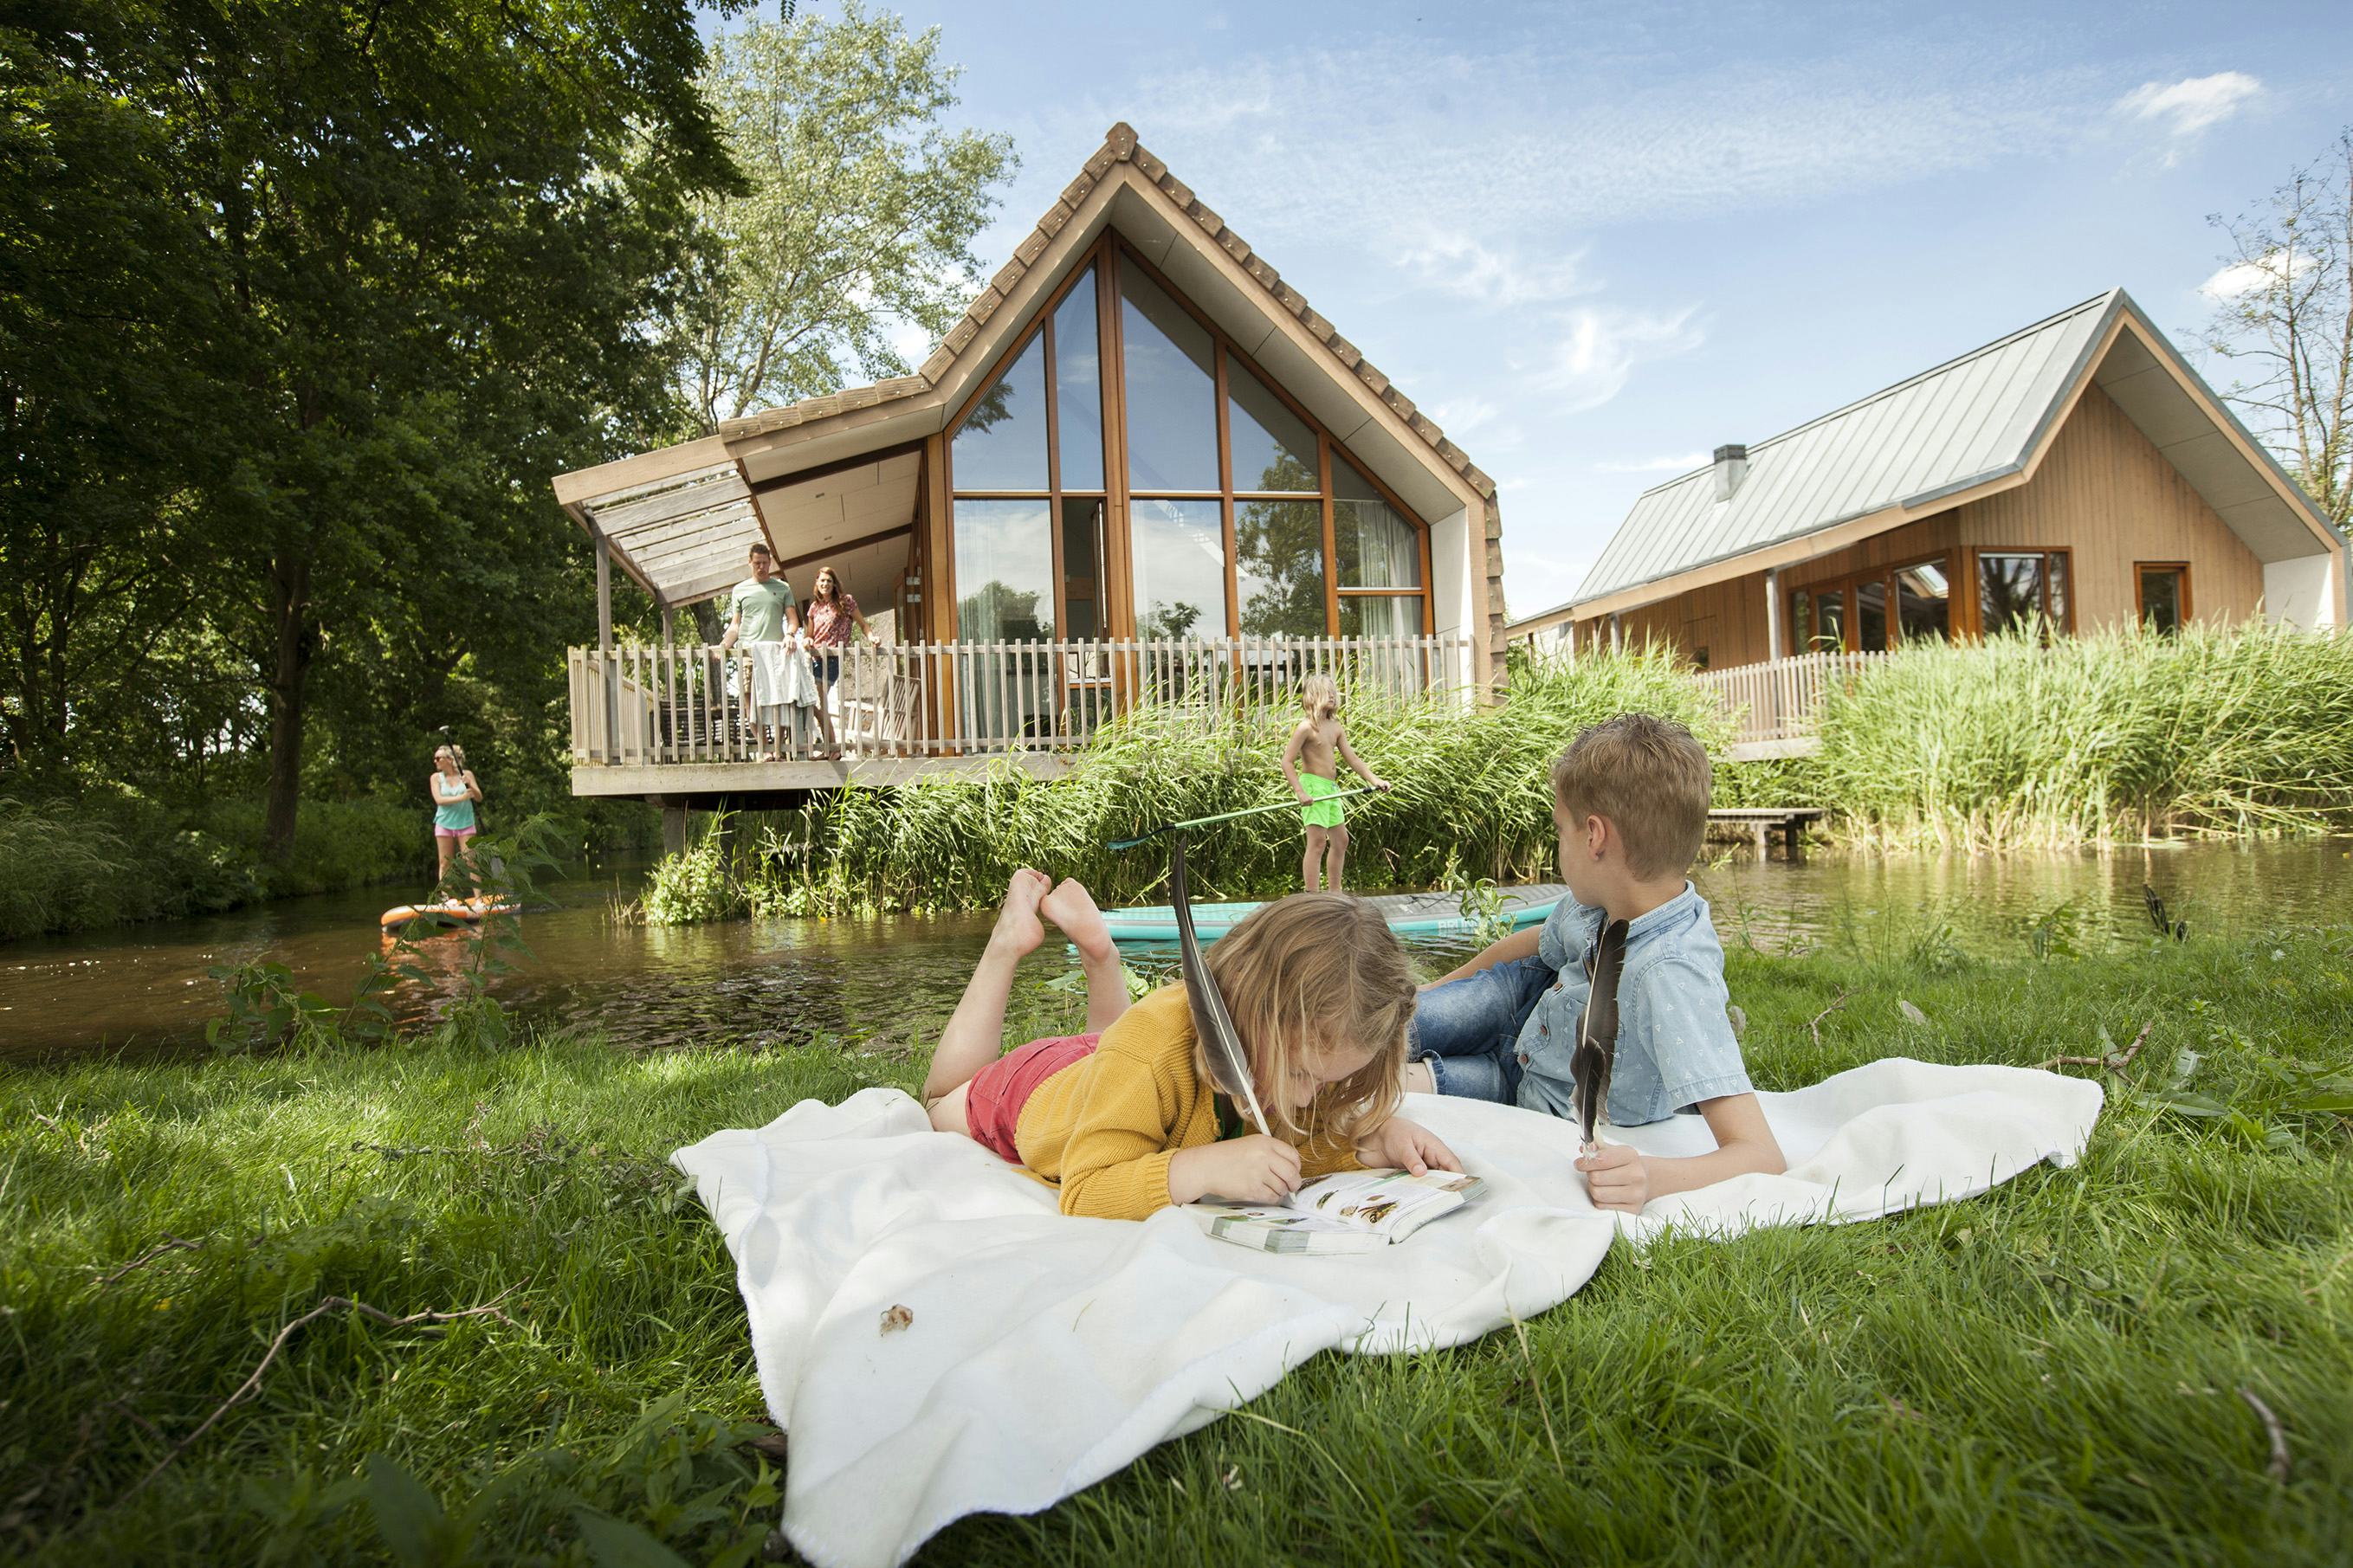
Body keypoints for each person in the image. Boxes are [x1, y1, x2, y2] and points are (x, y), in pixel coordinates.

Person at [1401, 713, 1785, 1213]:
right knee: (1390, 1022)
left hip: (1527, 1088)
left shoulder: (1670, 975)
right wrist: (1434, 991)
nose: (1558, 844)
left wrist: (1651, 1177)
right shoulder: (1599, 904)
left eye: (1560, 829)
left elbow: (1761, 1155)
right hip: (1520, 1010)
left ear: (1594, 837)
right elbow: (1531, 944)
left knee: (1383, 1087)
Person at [921, 871, 1460, 1218]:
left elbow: (1294, 1147)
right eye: (1300, 1075)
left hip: (1118, 1066)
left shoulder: (1277, 1044)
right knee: (938, 1101)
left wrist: (1372, 1142)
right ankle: (1008, 942)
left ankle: (1100, 956)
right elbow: (1085, 1191)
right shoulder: (1148, 1048)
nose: (1303, 1098)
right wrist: (1200, 1169)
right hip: (1035, 1089)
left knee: (1116, 1053)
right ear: (1250, 1012)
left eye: (1325, 1083)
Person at [1280, 673, 1388, 893]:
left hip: (1331, 789)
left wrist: (1375, 779)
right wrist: (1300, 792)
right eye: (1326, 692)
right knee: (1318, 842)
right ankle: (1312, 895)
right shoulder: (1306, 728)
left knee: (1341, 840)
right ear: (1314, 696)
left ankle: (1335, 893)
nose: (1332, 696)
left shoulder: (1335, 727)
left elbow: (1353, 759)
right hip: (1313, 787)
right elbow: (1287, 762)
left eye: (1333, 692)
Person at [719, 542, 815, 760]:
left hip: (775, 653)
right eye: (757, 563)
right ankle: (765, 749)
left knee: (779, 701)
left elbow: (793, 620)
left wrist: (790, 635)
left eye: (764, 563)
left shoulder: (782, 588)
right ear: (750, 563)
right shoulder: (740, 590)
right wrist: (724, 645)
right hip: (748, 652)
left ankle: (779, 749)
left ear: (770, 563)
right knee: (749, 703)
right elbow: (735, 625)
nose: (761, 567)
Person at [800, 565, 878, 760]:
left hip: (832, 658)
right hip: (815, 659)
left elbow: (863, 624)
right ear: (817, 583)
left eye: (829, 581)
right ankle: (831, 749)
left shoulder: (846, 602)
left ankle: (833, 748)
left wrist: (872, 637)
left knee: (818, 702)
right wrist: (807, 640)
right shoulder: (814, 607)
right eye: (822, 581)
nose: (825, 584)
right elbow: (809, 634)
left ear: (834, 584)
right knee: (814, 704)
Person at [429, 744, 482, 881]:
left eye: (438, 758)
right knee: (445, 863)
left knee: (470, 861)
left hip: (466, 823)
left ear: (450, 759)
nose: (435, 761)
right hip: (444, 823)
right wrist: (462, 798)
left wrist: (470, 784)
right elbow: (439, 800)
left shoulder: (467, 774)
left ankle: (478, 894)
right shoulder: (436, 778)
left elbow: (478, 797)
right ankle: (445, 893)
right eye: (435, 758)